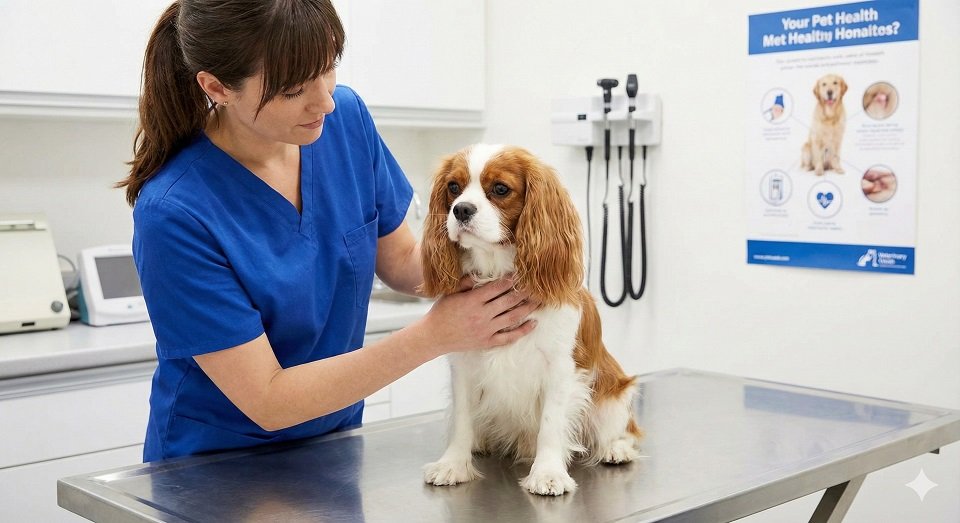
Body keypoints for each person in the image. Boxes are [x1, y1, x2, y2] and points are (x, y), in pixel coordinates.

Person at [117, 0, 539, 462]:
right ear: (217, 87)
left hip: (332, 442)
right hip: (214, 466)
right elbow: (269, 400)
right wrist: (435, 335)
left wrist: (510, 255)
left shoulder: (344, 121)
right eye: (295, 88)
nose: (325, 100)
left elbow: (402, 262)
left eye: (329, 68)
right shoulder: (175, 211)